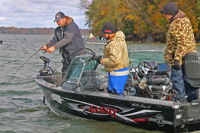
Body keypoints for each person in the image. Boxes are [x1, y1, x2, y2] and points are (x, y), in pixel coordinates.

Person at [160, 2, 197, 102]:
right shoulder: (185, 20)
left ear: (170, 14)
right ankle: (193, 101)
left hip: (179, 59)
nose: (164, 15)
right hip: (189, 58)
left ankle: (179, 104)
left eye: (165, 13)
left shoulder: (177, 24)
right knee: (189, 81)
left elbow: (182, 43)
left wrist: (176, 59)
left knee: (177, 82)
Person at [41, 11, 85, 77]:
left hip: (78, 55)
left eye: (59, 21)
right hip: (67, 57)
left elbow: (67, 39)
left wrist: (54, 47)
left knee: (77, 76)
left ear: (64, 19)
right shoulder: (58, 30)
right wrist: (47, 46)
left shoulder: (72, 26)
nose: (58, 22)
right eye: (56, 21)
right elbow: (55, 40)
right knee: (65, 75)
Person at [94, 22, 129, 95]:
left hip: (117, 72)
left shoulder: (114, 43)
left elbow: (115, 60)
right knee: (114, 91)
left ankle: (119, 106)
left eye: (104, 33)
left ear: (108, 32)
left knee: (117, 93)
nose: (103, 35)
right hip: (121, 70)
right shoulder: (120, 39)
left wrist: (101, 61)